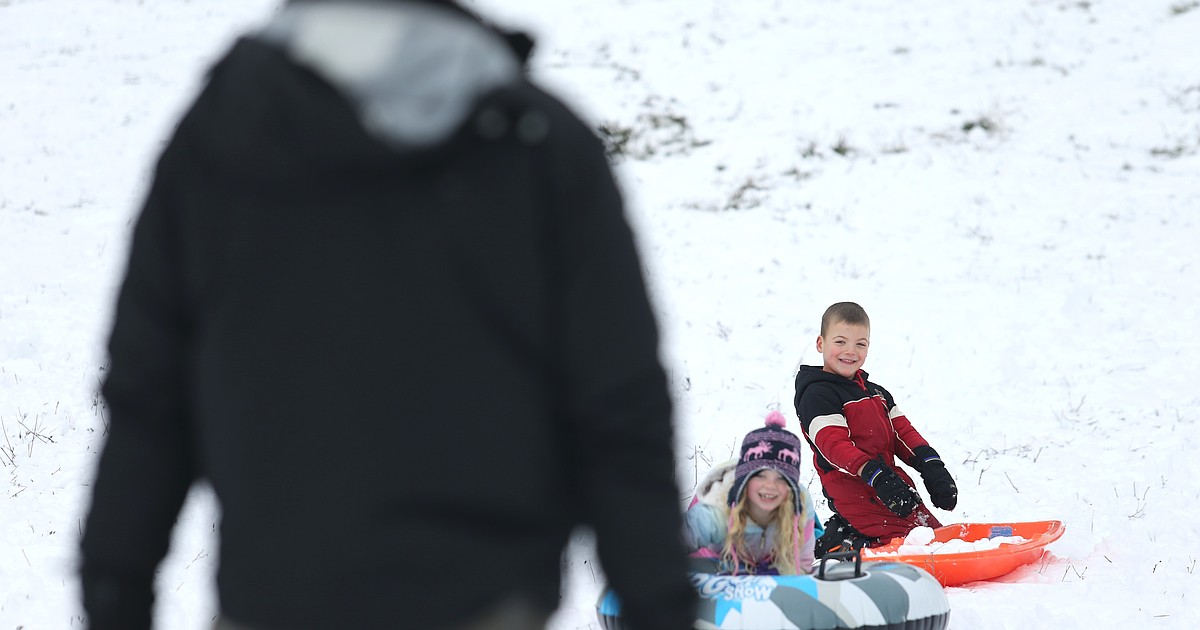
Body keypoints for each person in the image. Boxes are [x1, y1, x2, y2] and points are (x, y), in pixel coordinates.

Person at [78, 1, 696, 629]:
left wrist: (113, 585)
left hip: (279, 594)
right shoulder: (538, 142)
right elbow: (619, 403)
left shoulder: (221, 134)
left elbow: (148, 392)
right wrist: (657, 600)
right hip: (483, 595)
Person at [793, 302, 958, 556]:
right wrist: (873, 474)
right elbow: (833, 445)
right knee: (912, 548)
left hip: (891, 484)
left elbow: (903, 433)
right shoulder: (818, 394)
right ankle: (844, 545)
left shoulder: (876, 393)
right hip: (854, 490)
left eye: (860, 344)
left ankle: (851, 533)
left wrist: (931, 464)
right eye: (840, 342)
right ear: (820, 344)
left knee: (932, 537)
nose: (850, 351)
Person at [683, 411, 819, 575]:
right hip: (711, 572)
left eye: (781, 479)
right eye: (760, 476)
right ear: (744, 482)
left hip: (765, 573)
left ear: (791, 487)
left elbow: (802, 563)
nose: (770, 486)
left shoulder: (800, 507)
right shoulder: (717, 509)